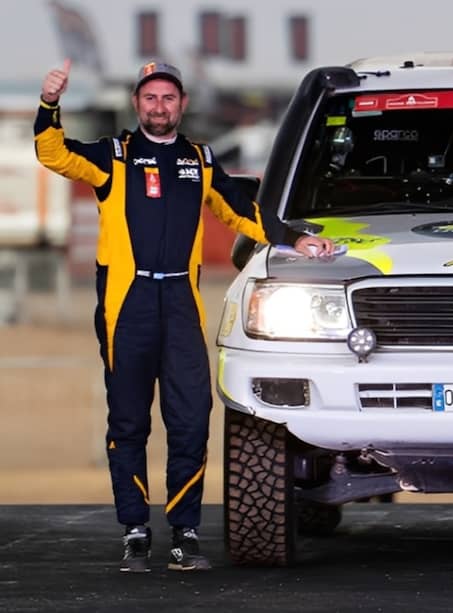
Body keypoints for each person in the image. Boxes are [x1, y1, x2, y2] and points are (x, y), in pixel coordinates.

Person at [35, 59, 335, 573]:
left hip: (180, 305)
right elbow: (52, 153)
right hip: (126, 307)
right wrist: (49, 103)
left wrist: (296, 239)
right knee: (128, 423)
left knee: (192, 420)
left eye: (168, 98)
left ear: (182, 104)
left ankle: (184, 533)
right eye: (149, 97)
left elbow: (243, 210)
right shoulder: (114, 156)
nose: (159, 106)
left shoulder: (200, 159)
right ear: (137, 104)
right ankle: (134, 531)